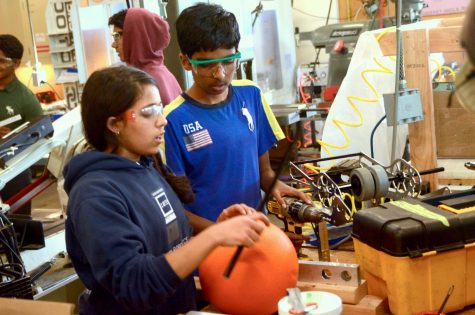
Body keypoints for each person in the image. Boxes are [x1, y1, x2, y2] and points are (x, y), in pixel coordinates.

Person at [64, 65, 269, 315]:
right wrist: (213, 237)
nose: (162, 121)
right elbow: (136, 284)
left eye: (160, 108)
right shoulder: (95, 195)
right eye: (149, 112)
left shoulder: (144, 167)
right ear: (114, 124)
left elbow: (169, 243)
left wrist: (220, 227)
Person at [163, 3, 311, 232]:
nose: (220, 74)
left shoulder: (250, 96)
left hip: (255, 234)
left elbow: (264, 173)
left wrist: (276, 186)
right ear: (185, 61)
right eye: (207, 65)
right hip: (209, 247)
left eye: (229, 61)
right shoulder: (172, 120)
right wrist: (220, 233)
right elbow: (174, 210)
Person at [0, 34, 43, 215]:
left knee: (19, 225)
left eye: (1, 61)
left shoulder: (26, 99)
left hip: (14, 170)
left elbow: (39, 137)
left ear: (16, 64)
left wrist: (14, 138)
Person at [108, 8, 182, 105]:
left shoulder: (143, 81)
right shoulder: (161, 72)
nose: (113, 45)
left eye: (117, 36)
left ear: (134, 35)